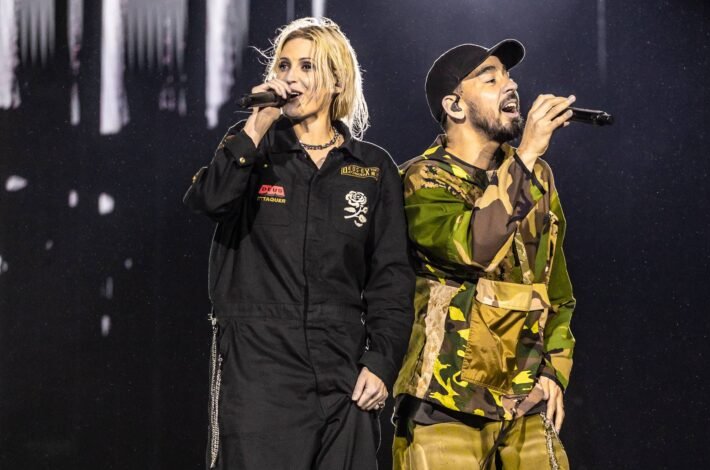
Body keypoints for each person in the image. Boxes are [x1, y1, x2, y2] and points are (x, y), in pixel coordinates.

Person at [183, 17, 414, 470]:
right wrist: (255, 126)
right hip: (260, 362)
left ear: (336, 80)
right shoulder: (252, 152)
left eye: (307, 66)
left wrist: (381, 362)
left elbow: (392, 277)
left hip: (343, 364)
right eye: (283, 65)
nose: (290, 77)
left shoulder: (371, 168)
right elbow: (208, 200)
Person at [392, 40, 577, 469]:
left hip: (526, 403)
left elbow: (557, 290)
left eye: (508, 76)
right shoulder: (422, 178)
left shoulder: (537, 176)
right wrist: (527, 157)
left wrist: (554, 371)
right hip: (445, 404)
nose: (510, 85)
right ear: (454, 107)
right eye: (490, 77)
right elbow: (474, 247)